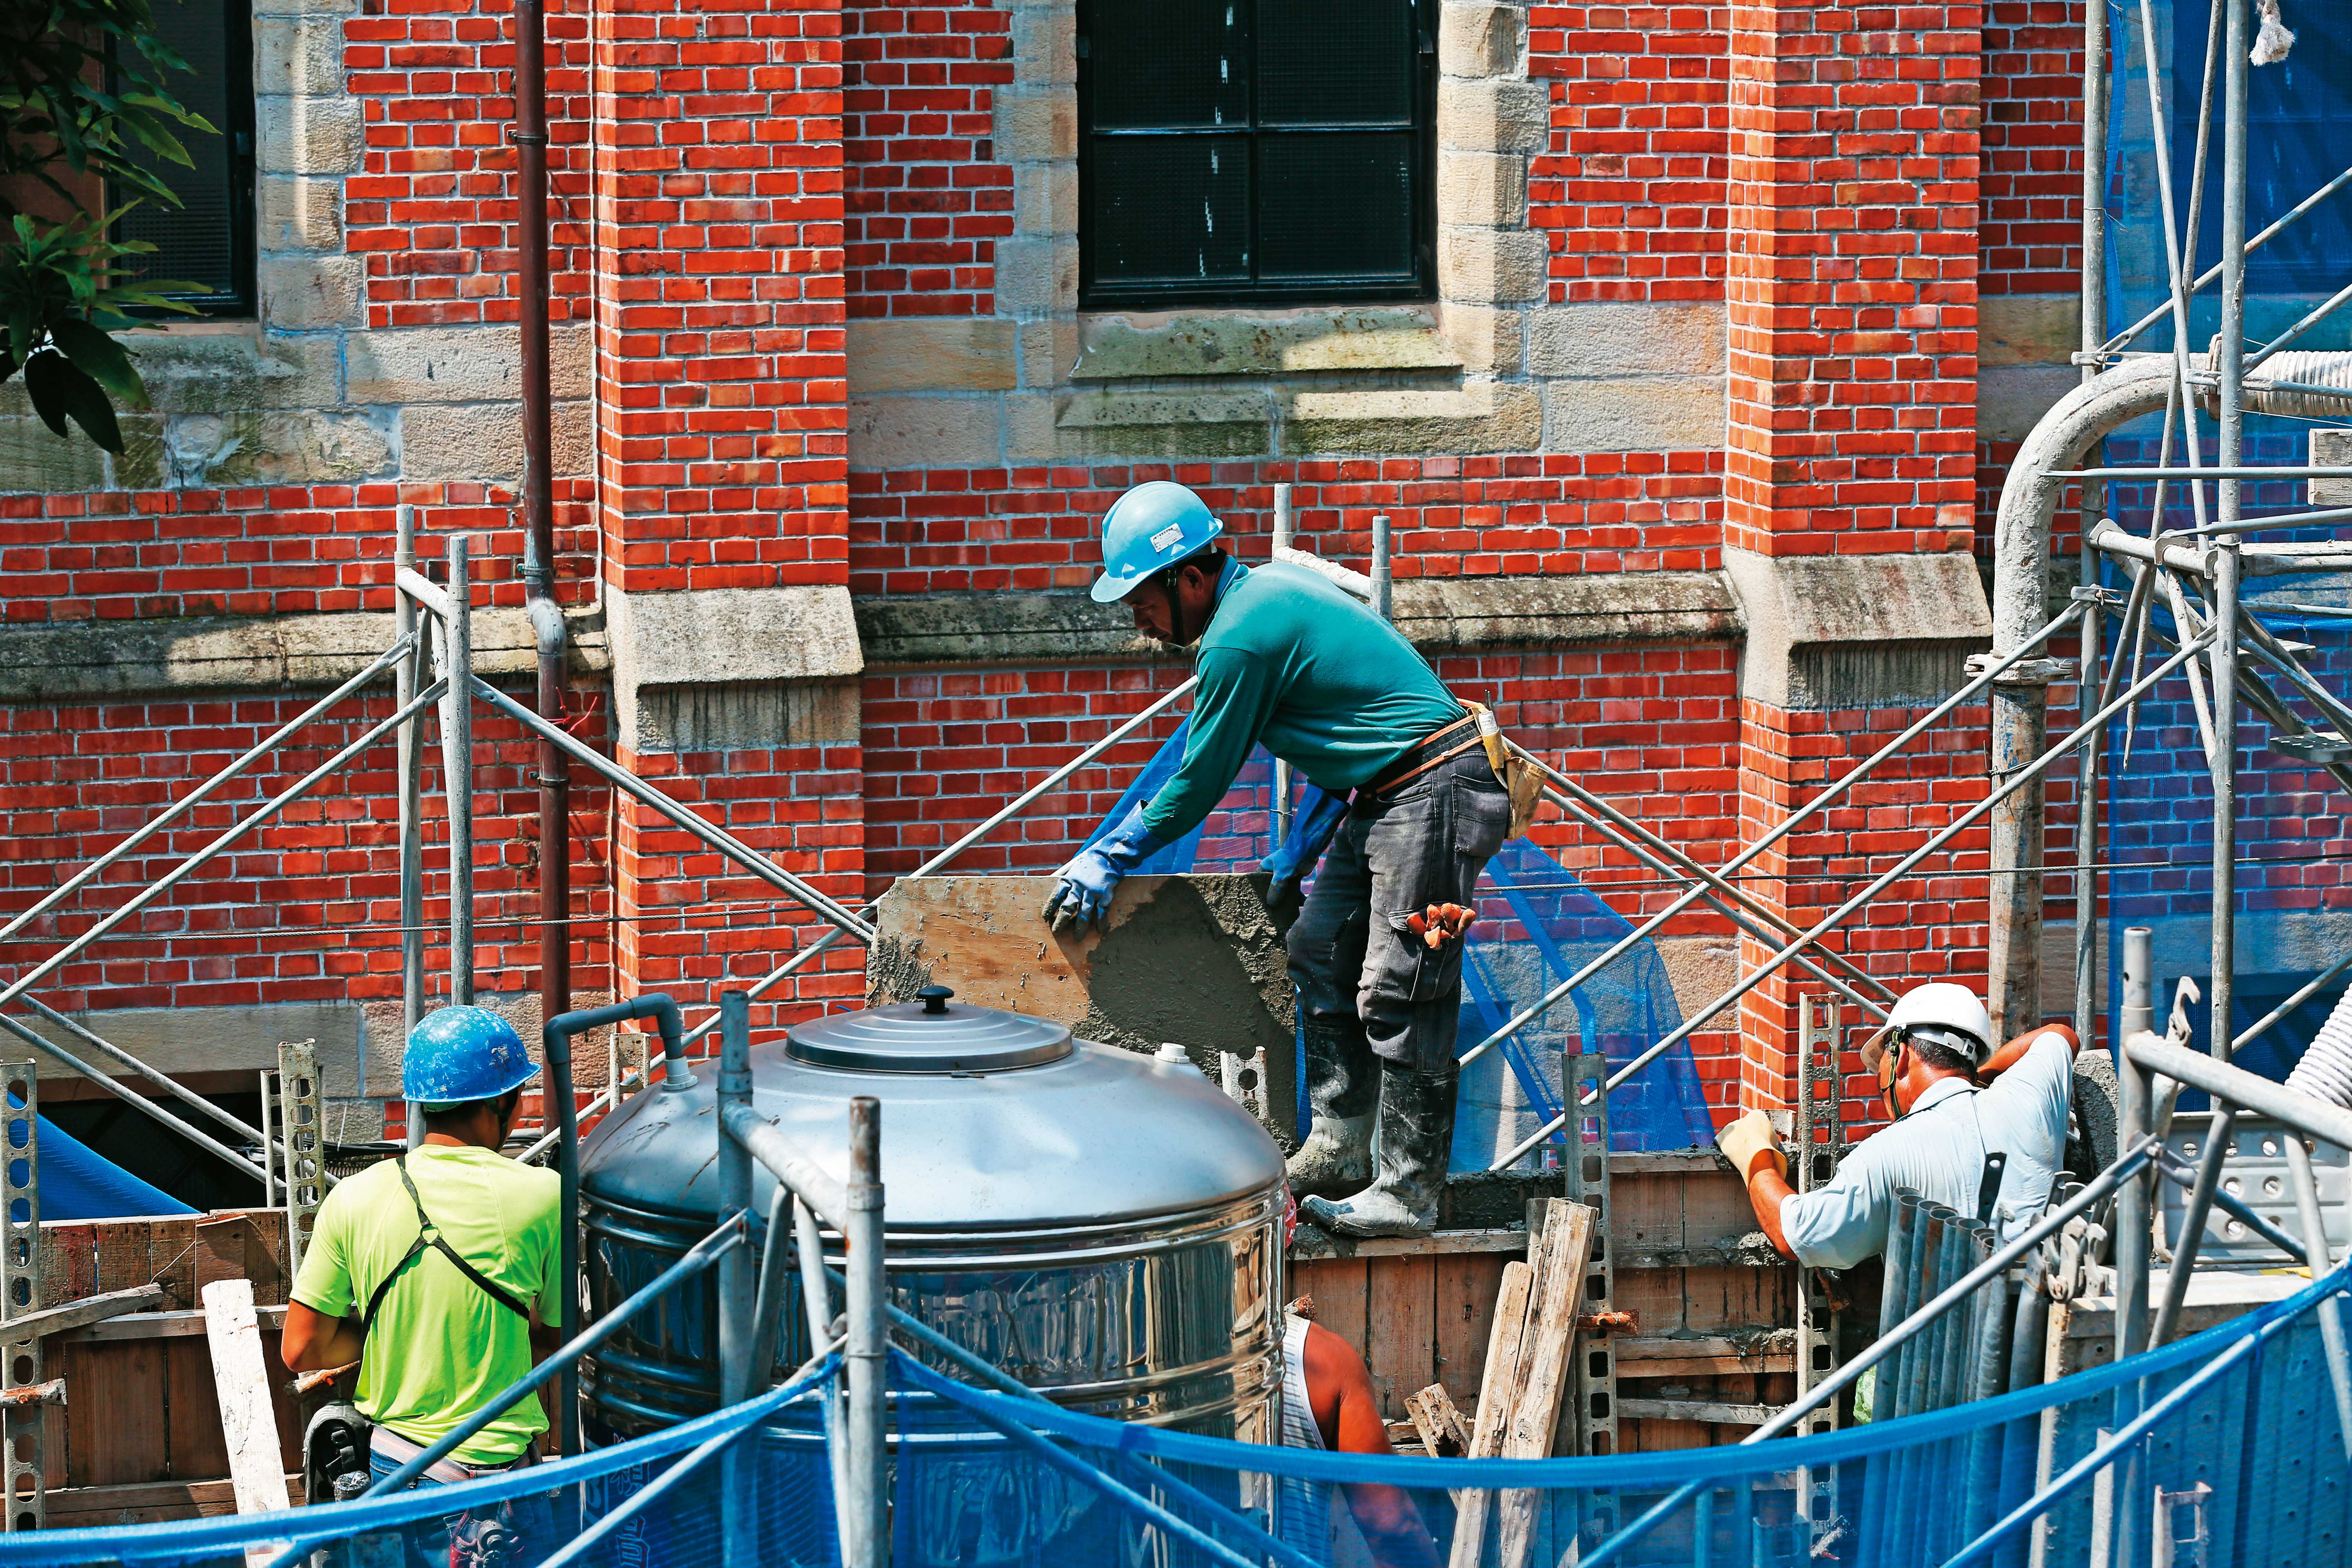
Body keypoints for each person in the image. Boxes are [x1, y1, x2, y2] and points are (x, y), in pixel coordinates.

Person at [1043, 481, 1512, 1237]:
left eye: (1142, 599)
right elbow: (1353, 731)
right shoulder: (1261, 596)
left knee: (1401, 986)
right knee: (1318, 947)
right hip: (1389, 791)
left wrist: (1112, 852)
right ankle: (1338, 1143)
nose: (1138, 619)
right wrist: (1302, 850)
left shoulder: (1239, 633)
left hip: (1433, 788)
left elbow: (1199, 778)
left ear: (1189, 578)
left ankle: (1408, 1191)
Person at [283, 1006, 562, 1568]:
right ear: (501, 1104)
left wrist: (390, 1331)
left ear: (421, 1101)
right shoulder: (543, 1196)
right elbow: (556, 1338)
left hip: (395, 1481)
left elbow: (301, 1350)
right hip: (503, 1490)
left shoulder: (354, 1199)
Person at [1715, 982, 2081, 1270]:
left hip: (1941, 1355)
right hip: (2044, 1338)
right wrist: (1978, 1080)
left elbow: (1794, 1234)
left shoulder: (1885, 1153)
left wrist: (1757, 1156)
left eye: (1881, 1064)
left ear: (1900, 1054)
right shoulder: (2029, 1100)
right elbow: (2061, 1035)